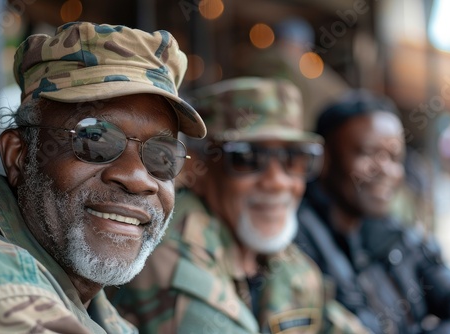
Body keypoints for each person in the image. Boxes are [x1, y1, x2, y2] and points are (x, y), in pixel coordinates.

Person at [0, 21, 206, 333]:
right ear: (19, 156)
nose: (137, 178)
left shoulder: (103, 317)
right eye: (95, 138)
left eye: (162, 155)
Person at [107, 77, 370, 333]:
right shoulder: (171, 252)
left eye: (294, 158)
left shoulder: (277, 257)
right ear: (198, 169)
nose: (278, 182)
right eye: (247, 158)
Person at [295, 89, 450, 334]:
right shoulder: (301, 241)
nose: (385, 169)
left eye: (394, 157)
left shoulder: (390, 230)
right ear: (324, 159)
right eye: (367, 153)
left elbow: (449, 289)